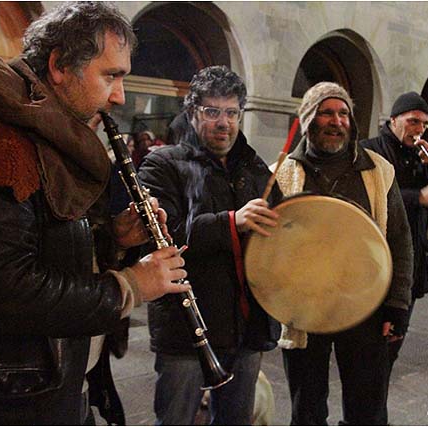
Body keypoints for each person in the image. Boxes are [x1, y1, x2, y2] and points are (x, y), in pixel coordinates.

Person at [0, 2, 189, 425]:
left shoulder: (53, 140)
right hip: (4, 407)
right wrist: (130, 286)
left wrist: (115, 239)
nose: (119, 96)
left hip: (55, 388)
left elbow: (49, 248)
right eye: (110, 76)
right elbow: (5, 293)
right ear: (59, 65)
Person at [138, 65, 283, 425]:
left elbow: (279, 231)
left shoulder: (254, 168)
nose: (224, 122)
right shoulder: (162, 163)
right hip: (186, 328)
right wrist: (232, 222)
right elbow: (164, 235)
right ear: (192, 113)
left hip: (246, 327)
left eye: (232, 112)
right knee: (176, 419)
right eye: (212, 111)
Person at [274, 82, 413, 425]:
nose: (336, 121)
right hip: (306, 308)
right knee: (307, 412)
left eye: (343, 113)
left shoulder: (379, 171)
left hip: (365, 303)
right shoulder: (283, 173)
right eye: (326, 113)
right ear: (309, 119)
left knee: (368, 411)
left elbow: (399, 239)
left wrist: (397, 304)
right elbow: (269, 246)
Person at [360, 92, 428, 404]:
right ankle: (368, 414)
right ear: (393, 120)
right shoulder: (370, 150)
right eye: (413, 121)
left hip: (410, 268)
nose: (419, 130)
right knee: (370, 351)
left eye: (424, 124)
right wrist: (419, 197)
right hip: (375, 264)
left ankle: (374, 410)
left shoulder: (422, 156)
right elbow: (371, 197)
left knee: (391, 347)